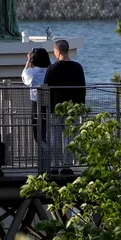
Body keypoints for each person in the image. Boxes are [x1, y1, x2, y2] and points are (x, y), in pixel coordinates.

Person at [42, 39, 86, 174]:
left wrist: (46, 107)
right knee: (70, 137)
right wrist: (80, 106)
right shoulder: (77, 67)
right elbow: (82, 89)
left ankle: (55, 165)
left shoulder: (52, 68)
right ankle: (67, 165)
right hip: (72, 109)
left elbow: (45, 89)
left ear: (58, 51)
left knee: (55, 137)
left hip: (55, 108)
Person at [21, 47, 51, 167]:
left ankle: (44, 158)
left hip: (36, 104)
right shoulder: (51, 70)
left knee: (37, 132)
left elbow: (24, 77)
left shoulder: (32, 72)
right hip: (50, 103)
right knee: (49, 131)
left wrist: (28, 61)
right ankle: (50, 158)